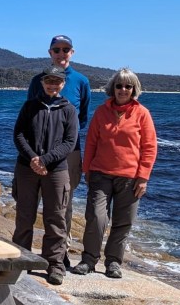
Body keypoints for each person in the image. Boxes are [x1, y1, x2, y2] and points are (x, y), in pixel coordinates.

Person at [71, 68, 157, 279]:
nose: (123, 89)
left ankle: (113, 262)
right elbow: (91, 142)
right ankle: (89, 260)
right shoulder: (102, 112)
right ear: (113, 88)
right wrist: (87, 169)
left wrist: (143, 177)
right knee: (96, 217)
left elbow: (149, 147)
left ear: (134, 89)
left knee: (123, 222)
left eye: (128, 86)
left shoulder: (142, 113)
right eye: (119, 85)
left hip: (130, 178)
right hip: (100, 174)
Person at [27, 35, 91, 264]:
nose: (61, 53)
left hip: (69, 152)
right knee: (31, 201)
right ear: (50, 53)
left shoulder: (81, 81)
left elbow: (82, 117)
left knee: (64, 202)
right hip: (38, 152)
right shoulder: (37, 80)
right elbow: (30, 114)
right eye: (57, 49)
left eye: (66, 49)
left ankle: (59, 253)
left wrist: (63, 139)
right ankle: (25, 253)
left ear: (72, 52)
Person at [12, 65, 78, 286]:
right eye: (48, 80)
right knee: (24, 216)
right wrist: (33, 158)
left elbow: (70, 142)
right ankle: (21, 260)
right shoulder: (30, 106)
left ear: (63, 84)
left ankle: (55, 264)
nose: (52, 85)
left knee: (56, 218)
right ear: (42, 82)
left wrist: (45, 160)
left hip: (56, 170)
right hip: (26, 168)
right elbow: (18, 134)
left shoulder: (69, 110)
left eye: (56, 81)